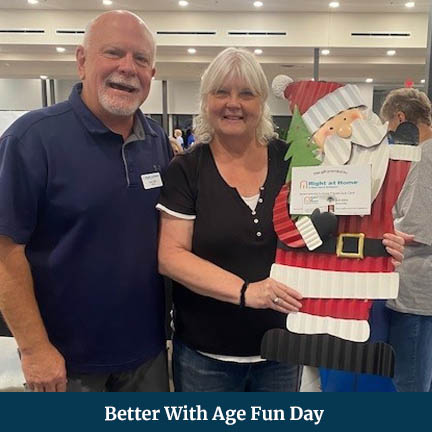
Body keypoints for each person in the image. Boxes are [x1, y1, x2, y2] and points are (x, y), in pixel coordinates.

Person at [156, 48, 405, 392]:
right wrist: (246, 292)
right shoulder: (187, 169)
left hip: (282, 351)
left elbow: (330, 228)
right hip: (206, 355)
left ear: (261, 103)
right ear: (206, 101)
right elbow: (172, 256)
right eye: (221, 92)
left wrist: (380, 245)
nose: (234, 103)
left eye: (246, 93)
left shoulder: (293, 162)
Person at [0, 10, 172, 392]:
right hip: (66, 363)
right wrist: (34, 349)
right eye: (113, 53)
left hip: (147, 356)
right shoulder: (31, 140)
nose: (127, 68)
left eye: (141, 59)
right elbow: (5, 253)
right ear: (81, 61)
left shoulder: (157, 142)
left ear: (152, 75)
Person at [260, 76, 412, 381]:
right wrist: (313, 228)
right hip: (309, 278)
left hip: (366, 277)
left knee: (355, 327)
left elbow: (405, 227)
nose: (345, 131)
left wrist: (397, 244)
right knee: (308, 336)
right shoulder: (298, 182)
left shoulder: (393, 169)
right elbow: (283, 222)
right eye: (333, 125)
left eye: (351, 119)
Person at [380, 88, 432, 392]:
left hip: (416, 291)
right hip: (419, 289)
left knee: (410, 384)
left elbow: (414, 229)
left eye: (389, 128)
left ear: (400, 118)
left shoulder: (421, 158)